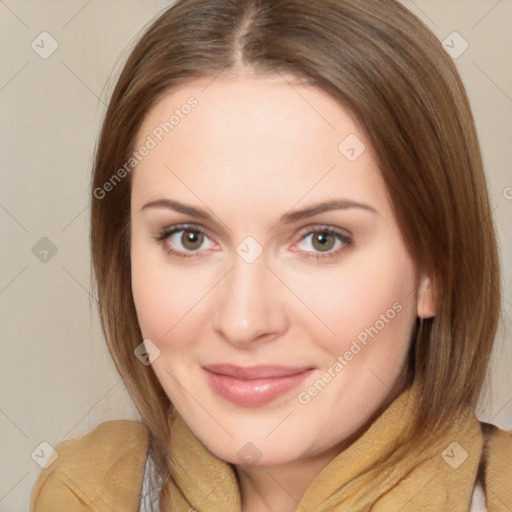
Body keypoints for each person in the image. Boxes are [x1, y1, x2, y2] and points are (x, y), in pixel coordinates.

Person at [30, 0, 512, 511]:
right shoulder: (83, 491)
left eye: (321, 239)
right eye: (188, 237)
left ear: (435, 269)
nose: (242, 321)